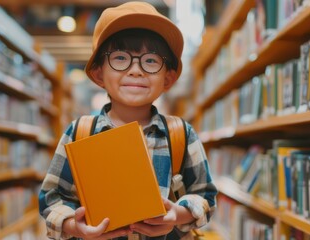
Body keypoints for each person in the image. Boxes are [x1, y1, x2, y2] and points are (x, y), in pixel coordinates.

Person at [39, 2, 217, 239]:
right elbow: (52, 196)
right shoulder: (80, 132)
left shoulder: (180, 134)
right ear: (99, 73)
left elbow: (205, 195)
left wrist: (178, 215)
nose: (136, 70)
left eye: (151, 61)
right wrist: (75, 226)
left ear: (168, 78)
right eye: (120, 58)